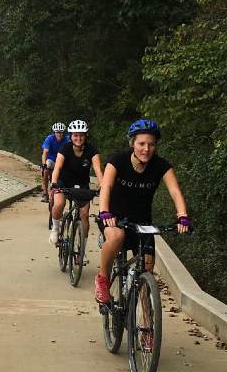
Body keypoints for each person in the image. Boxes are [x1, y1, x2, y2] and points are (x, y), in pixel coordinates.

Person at [94, 119, 190, 302]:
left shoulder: (161, 166)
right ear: (132, 143)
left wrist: (182, 216)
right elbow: (106, 186)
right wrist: (105, 211)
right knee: (116, 237)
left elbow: (175, 191)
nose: (146, 149)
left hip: (143, 222)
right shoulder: (117, 161)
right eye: (141, 144)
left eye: (151, 144)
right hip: (114, 218)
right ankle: (102, 279)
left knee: (146, 272)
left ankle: (147, 327)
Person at [48, 120, 103, 246]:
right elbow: (57, 167)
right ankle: (56, 228)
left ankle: (82, 247)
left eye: (82, 135)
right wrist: (54, 183)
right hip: (63, 182)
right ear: (71, 136)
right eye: (75, 135)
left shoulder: (92, 150)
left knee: (84, 214)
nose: (79, 138)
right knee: (59, 204)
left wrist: (103, 186)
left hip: (82, 184)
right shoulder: (65, 148)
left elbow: (98, 169)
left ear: (86, 136)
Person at [39, 122, 68, 201]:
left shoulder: (67, 139)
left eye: (61, 132)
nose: (59, 134)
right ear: (54, 132)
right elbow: (45, 152)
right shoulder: (49, 138)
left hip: (62, 160)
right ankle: (45, 192)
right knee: (45, 171)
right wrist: (44, 164)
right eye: (57, 132)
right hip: (51, 160)